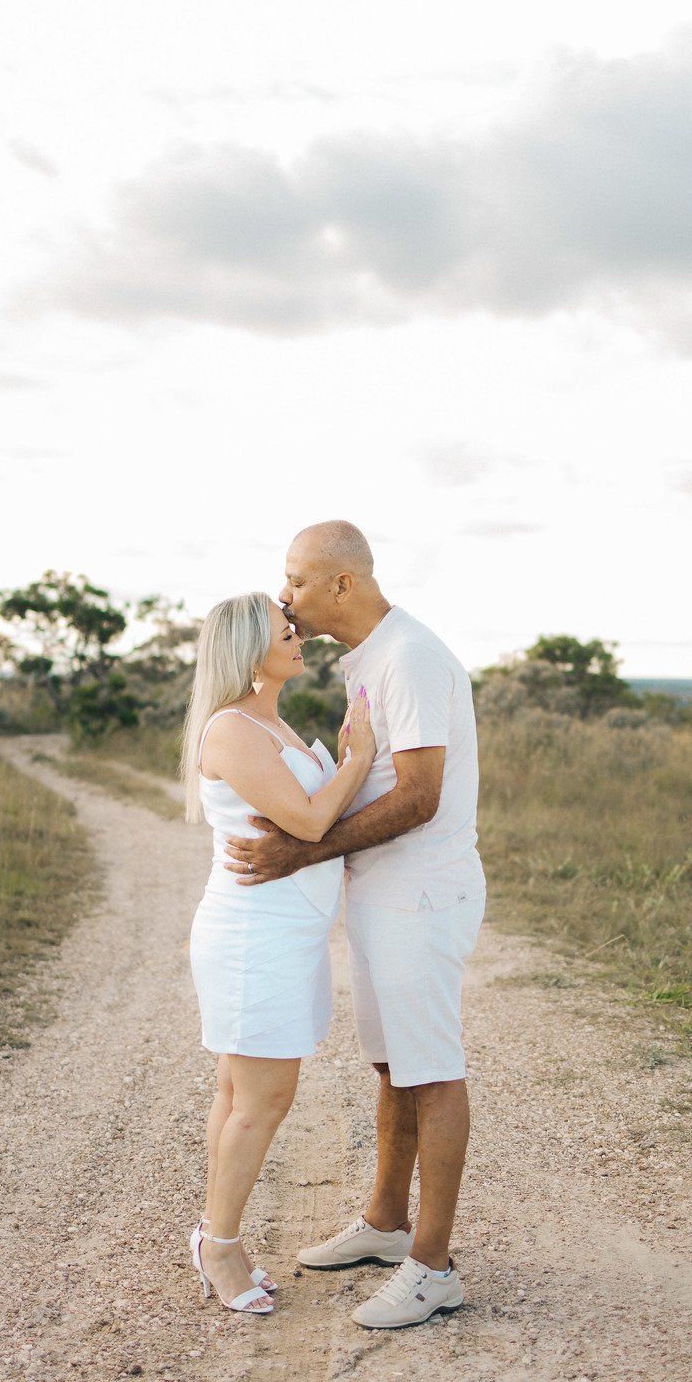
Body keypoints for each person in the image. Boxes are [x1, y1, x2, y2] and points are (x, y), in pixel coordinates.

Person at [225, 522, 486, 1329]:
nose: (285, 597)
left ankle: (432, 1268)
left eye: (297, 580)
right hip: (382, 891)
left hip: (422, 894)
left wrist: (301, 853)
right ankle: (386, 1222)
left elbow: (420, 797)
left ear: (342, 585)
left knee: (431, 1071)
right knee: (393, 1065)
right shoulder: (368, 659)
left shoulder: (408, 657)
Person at [183, 591, 375, 1314]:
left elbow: (306, 821)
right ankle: (220, 1246)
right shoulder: (233, 730)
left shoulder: (269, 722)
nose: (298, 634)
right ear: (246, 650)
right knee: (262, 1101)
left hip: (283, 933)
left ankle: (216, 1234)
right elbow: (311, 820)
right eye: (282, 629)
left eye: (292, 625)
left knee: (239, 1096)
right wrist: (358, 759)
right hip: (251, 937)